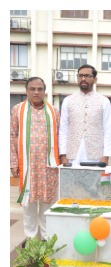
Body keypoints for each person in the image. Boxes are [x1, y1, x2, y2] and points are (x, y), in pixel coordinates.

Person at [10, 76, 60, 243]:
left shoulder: (54, 111)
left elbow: (60, 136)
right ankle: (30, 238)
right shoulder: (18, 110)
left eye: (40, 89)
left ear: (45, 91)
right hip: (27, 166)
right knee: (29, 204)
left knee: (48, 203)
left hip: (49, 166)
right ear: (27, 91)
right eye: (33, 89)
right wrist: (13, 162)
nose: (36, 92)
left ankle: (47, 238)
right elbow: (12, 136)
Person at [59, 64, 111, 166]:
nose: (83, 78)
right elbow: (63, 129)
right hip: (72, 156)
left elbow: (108, 129)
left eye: (87, 76)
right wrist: (63, 156)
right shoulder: (68, 101)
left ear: (95, 79)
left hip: (96, 156)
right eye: (80, 76)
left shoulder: (104, 101)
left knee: (94, 182)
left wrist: (106, 156)